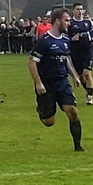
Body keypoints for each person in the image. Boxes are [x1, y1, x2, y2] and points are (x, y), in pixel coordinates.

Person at [28, 8, 85, 151]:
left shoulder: (65, 40)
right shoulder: (44, 41)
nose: (69, 23)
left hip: (62, 82)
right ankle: (42, 108)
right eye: (66, 20)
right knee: (49, 122)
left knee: (72, 111)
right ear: (57, 21)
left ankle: (78, 146)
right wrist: (38, 83)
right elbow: (32, 62)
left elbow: (66, 59)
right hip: (46, 85)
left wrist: (74, 76)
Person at [67, 3, 93, 105]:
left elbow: (92, 31)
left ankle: (90, 97)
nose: (80, 11)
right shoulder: (69, 23)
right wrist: (72, 39)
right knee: (80, 77)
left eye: (81, 9)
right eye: (77, 9)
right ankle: (88, 92)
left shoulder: (88, 22)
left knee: (87, 74)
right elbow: (65, 37)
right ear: (73, 11)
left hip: (87, 51)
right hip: (75, 53)